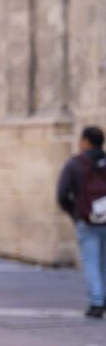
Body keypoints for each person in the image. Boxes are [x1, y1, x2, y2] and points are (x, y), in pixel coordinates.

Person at [57, 125, 106, 318]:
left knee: (92, 261)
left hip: (87, 221)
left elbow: (62, 194)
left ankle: (97, 301)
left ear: (85, 141)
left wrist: (76, 212)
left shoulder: (75, 163)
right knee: (103, 261)